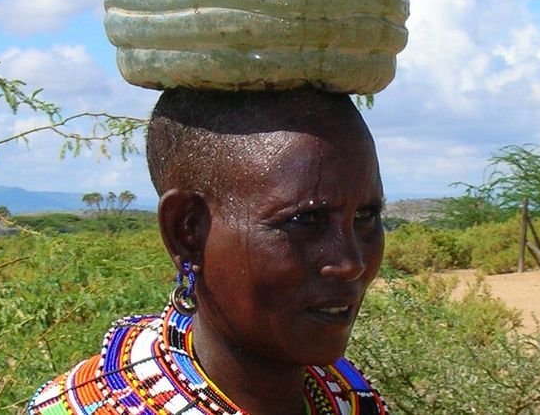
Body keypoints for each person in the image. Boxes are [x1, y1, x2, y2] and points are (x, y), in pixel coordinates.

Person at [28, 87, 388, 415]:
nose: (351, 263)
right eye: (306, 219)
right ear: (188, 233)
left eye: (366, 215)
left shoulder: (350, 399)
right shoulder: (86, 407)